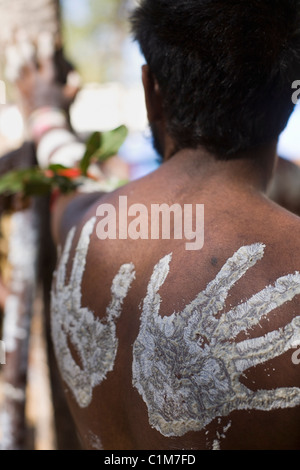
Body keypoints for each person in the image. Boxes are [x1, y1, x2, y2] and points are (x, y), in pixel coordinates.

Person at [9, 0, 300, 450]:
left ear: (151, 92)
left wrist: (43, 112)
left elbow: (71, 180)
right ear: (288, 101)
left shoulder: (85, 226)